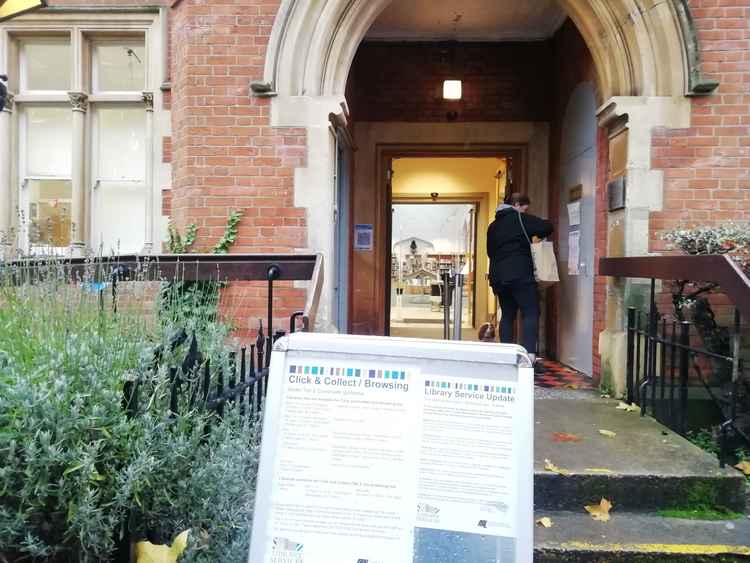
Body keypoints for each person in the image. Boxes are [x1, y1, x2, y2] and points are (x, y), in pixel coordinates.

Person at [487, 192, 553, 365]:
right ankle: (528, 355)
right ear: (516, 204)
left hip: (499, 277)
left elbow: (489, 252)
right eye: (524, 207)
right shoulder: (521, 219)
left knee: (507, 314)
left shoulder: (492, 226)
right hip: (520, 274)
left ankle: (505, 354)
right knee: (531, 312)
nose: (524, 211)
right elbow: (547, 227)